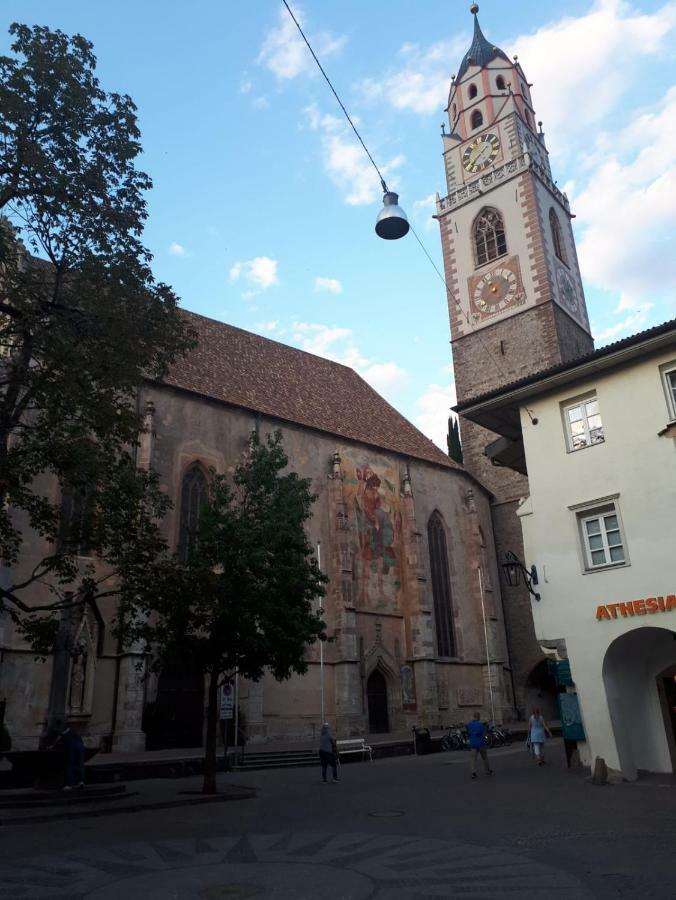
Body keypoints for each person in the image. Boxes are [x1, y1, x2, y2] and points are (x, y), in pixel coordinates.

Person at [52, 724, 86, 790]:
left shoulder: (62, 730)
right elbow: (80, 738)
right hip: (80, 746)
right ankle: (81, 782)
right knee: (80, 764)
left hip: (71, 747)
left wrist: (52, 746)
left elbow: (58, 739)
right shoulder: (73, 730)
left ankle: (69, 784)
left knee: (70, 764)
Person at [466, 711, 492, 780]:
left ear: (473, 717)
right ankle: (488, 770)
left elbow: (468, 733)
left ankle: (473, 773)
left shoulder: (469, 724)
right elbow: (484, 733)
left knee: (473, 759)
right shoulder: (481, 725)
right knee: (484, 758)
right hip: (481, 743)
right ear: (478, 717)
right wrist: (487, 725)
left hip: (473, 744)